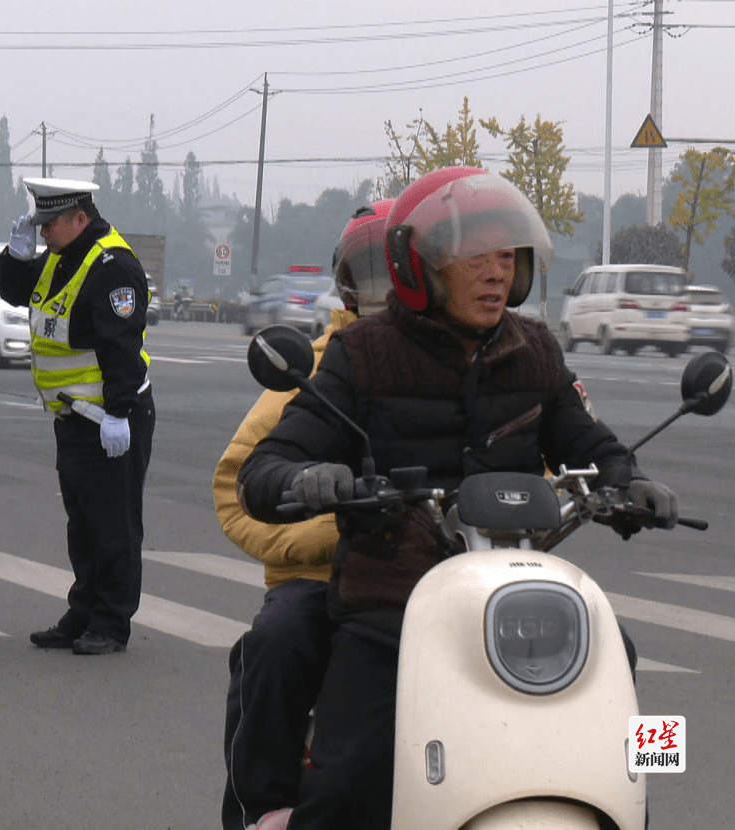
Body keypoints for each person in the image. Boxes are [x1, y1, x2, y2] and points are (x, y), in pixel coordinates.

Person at [235, 167, 678, 829]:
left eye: (508, 257)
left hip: (516, 596)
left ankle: (635, 806)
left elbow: (587, 441)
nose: (497, 273)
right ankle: (273, 813)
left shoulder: (537, 352)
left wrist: (629, 480)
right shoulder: (362, 353)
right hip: (393, 604)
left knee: (619, 652)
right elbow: (270, 463)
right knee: (350, 783)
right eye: (477, 257)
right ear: (420, 267)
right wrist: (306, 480)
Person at [216, 200, 393, 830]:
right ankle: (262, 809)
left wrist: (617, 476)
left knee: (607, 647)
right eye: (375, 272)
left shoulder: (507, 355)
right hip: (334, 579)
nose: (392, 287)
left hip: (461, 578)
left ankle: (628, 793)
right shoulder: (321, 367)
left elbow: (562, 446)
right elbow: (240, 486)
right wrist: (334, 524)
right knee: (277, 639)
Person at [0, 178, 155, 656]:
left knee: (115, 525)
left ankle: (111, 621)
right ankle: (83, 611)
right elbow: (18, 293)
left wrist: (119, 413)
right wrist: (15, 257)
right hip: (73, 417)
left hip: (110, 418)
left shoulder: (112, 266)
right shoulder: (61, 258)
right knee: (82, 525)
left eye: (50, 224)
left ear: (80, 219)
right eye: (39, 224)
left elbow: (122, 343)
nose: (43, 233)